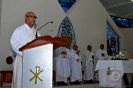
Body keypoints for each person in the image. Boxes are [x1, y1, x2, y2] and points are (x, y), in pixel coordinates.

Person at [10, 12, 39, 88]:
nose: (33, 18)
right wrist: (26, 51)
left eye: (34, 17)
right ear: (25, 18)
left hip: (33, 60)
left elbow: (40, 44)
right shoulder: (19, 30)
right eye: (31, 16)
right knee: (21, 81)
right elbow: (14, 43)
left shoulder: (36, 32)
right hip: (22, 58)